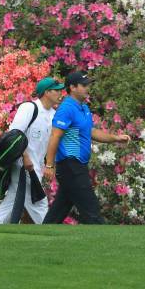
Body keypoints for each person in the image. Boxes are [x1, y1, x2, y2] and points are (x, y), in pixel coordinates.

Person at [42, 71, 130, 224]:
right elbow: (55, 136)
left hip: (78, 165)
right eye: (84, 85)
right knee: (92, 210)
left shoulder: (83, 108)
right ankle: (104, 243)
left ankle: (39, 239)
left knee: (58, 211)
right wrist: (49, 165)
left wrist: (115, 138)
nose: (87, 88)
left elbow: (91, 131)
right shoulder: (66, 108)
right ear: (72, 87)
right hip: (70, 165)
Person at [0, 77, 64, 224]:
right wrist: (25, 157)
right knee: (39, 203)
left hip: (35, 165)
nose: (60, 93)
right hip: (23, 164)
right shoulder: (29, 108)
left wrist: (49, 165)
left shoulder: (53, 115)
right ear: (46, 92)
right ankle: (49, 236)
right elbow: (15, 135)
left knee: (12, 200)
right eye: (56, 90)